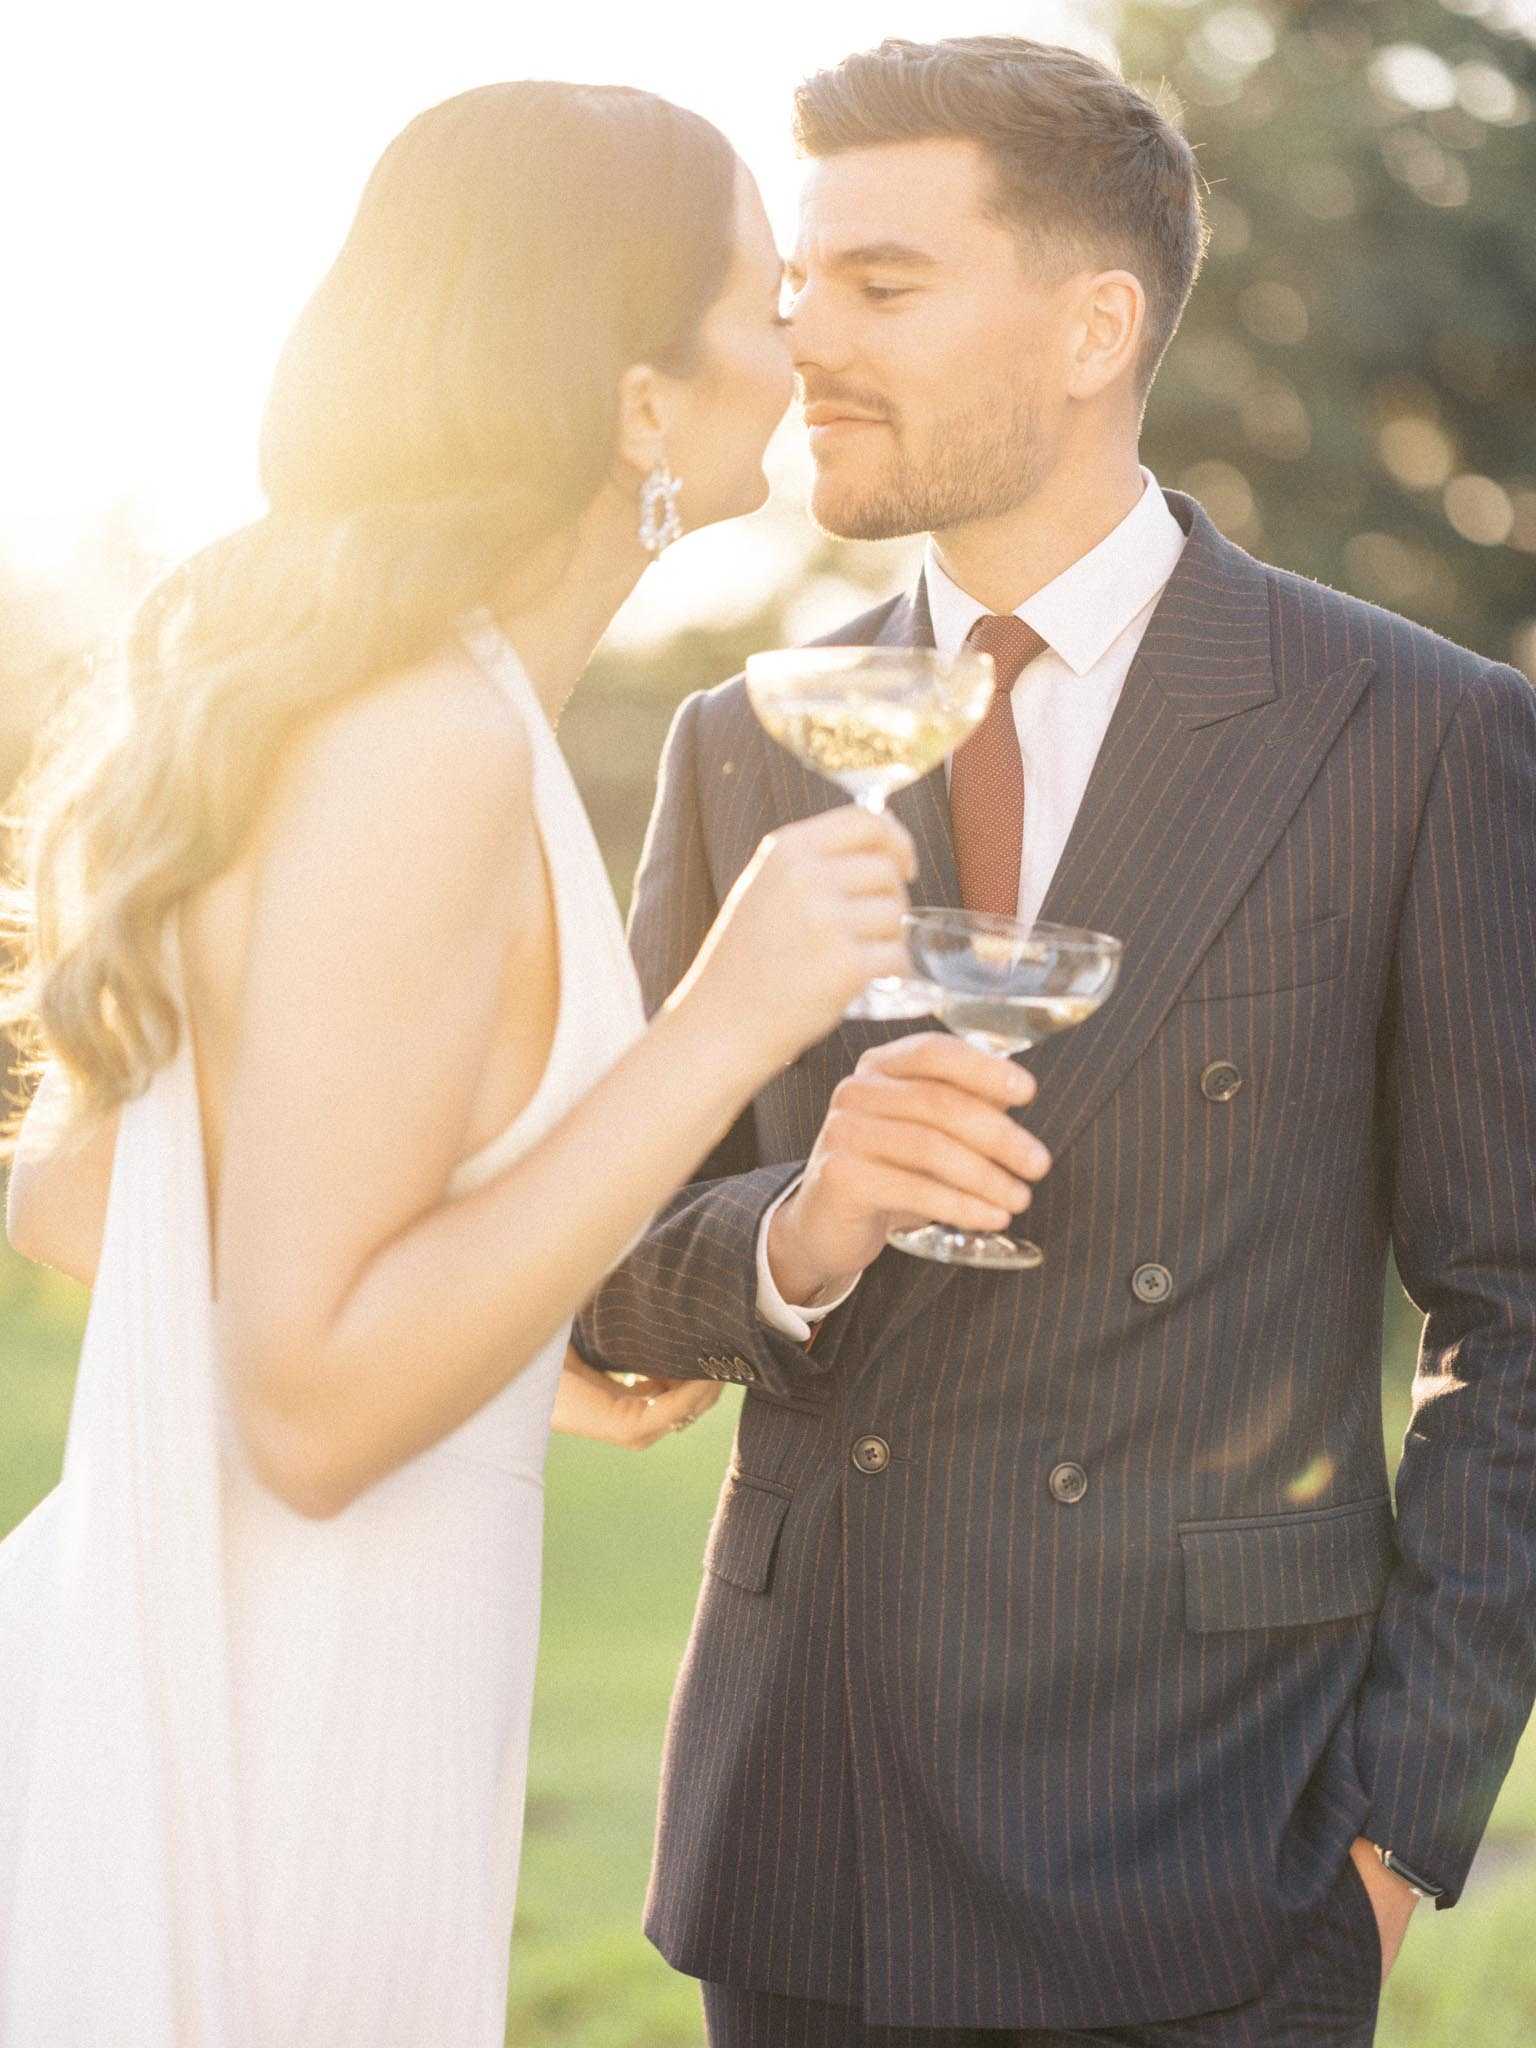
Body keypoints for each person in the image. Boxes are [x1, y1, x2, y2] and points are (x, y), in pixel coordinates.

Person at [575, 34, 1536, 2048]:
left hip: (1221, 1856)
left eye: (885, 285)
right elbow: (600, 1276)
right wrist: (800, 1229)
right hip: (810, 1835)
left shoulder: (1413, 734)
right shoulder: (743, 740)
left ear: (1097, 325)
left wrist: (1390, 1843)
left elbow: (1515, 1311)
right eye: (800, 285)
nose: (806, 335)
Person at [0, 80, 919, 2047]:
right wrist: (723, 1025)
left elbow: (92, 1196)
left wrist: (515, 1360)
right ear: (639, 399)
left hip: (253, 1647)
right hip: (288, 1721)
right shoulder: (427, 742)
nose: (809, 343)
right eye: (766, 301)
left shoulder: (400, 695)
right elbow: (313, 1412)